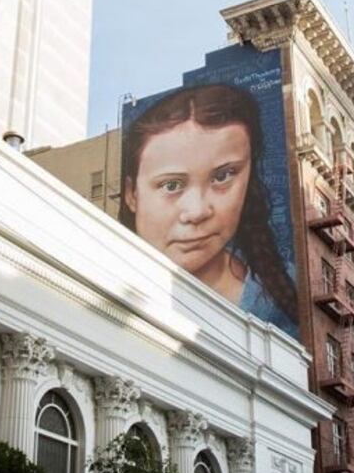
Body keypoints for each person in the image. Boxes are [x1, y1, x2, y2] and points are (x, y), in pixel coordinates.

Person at [120, 83, 298, 337]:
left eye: (223, 176)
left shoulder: (289, 289)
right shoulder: (99, 282)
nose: (197, 211)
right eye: (171, 185)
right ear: (131, 194)